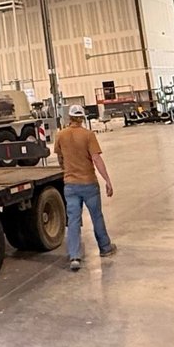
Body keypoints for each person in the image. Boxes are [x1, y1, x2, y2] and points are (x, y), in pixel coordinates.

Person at [53, 105, 116, 270]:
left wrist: (67, 170)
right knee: (97, 216)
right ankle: (105, 248)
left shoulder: (60, 135)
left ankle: (74, 257)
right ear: (82, 118)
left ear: (69, 117)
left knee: (73, 220)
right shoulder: (88, 135)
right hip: (89, 184)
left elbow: (60, 157)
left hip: (70, 185)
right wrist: (107, 180)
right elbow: (96, 159)